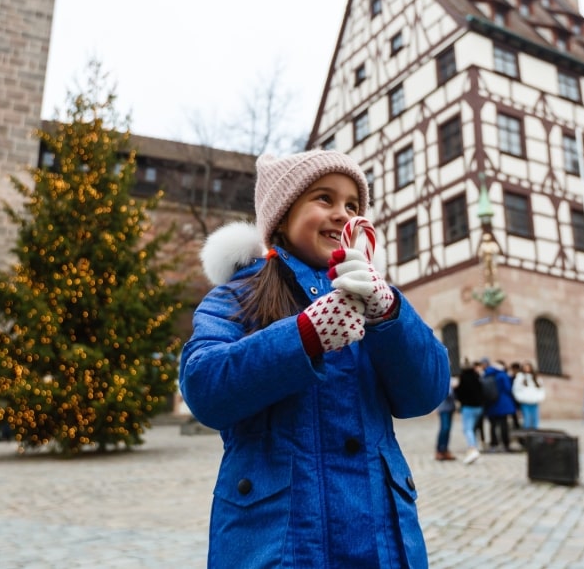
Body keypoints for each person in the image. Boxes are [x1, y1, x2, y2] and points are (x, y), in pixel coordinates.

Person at [180, 149, 450, 568]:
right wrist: (302, 336)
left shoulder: (373, 299)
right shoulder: (238, 297)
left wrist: (391, 316)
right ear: (283, 215)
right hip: (278, 541)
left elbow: (425, 392)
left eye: (353, 205)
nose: (343, 214)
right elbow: (205, 388)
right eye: (324, 198)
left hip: (381, 537)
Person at [453, 359, 485, 464]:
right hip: (479, 407)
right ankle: (474, 447)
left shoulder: (463, 378)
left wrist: (456, 390)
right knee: (473, 428)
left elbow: (460, 393)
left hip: (468, 407)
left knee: (468, 429)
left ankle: (472, 448)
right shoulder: (477, 376)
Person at [484, 360, 516, 452]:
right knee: (503, 424)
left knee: (493, 425)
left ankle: (494, 444)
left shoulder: (487, 374)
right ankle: (505, 444)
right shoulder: (502, 375)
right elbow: (508, 388)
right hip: (503, 403)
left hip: (491, 403)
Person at [512, 361, 545, 430]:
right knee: (527, 419)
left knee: (535, 419)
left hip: (534, 401)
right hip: (525, 402)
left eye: (528, 367)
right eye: (525, 367)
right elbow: (516, 389)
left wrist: (539, 398)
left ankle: (535, 434)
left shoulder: (536, 378)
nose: (527, 369)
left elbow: (541, 389)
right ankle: (526, 435)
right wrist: (521, 398)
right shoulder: (520, 378)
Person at [434, 376, 459, 461]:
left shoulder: (449, 378)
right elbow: (447, 393)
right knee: (444, 428)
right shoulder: (442, 378)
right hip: (443, 407)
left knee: (448, 429)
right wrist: (454, 387)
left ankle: (445, 449)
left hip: (450, 407)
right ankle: (440, 450)